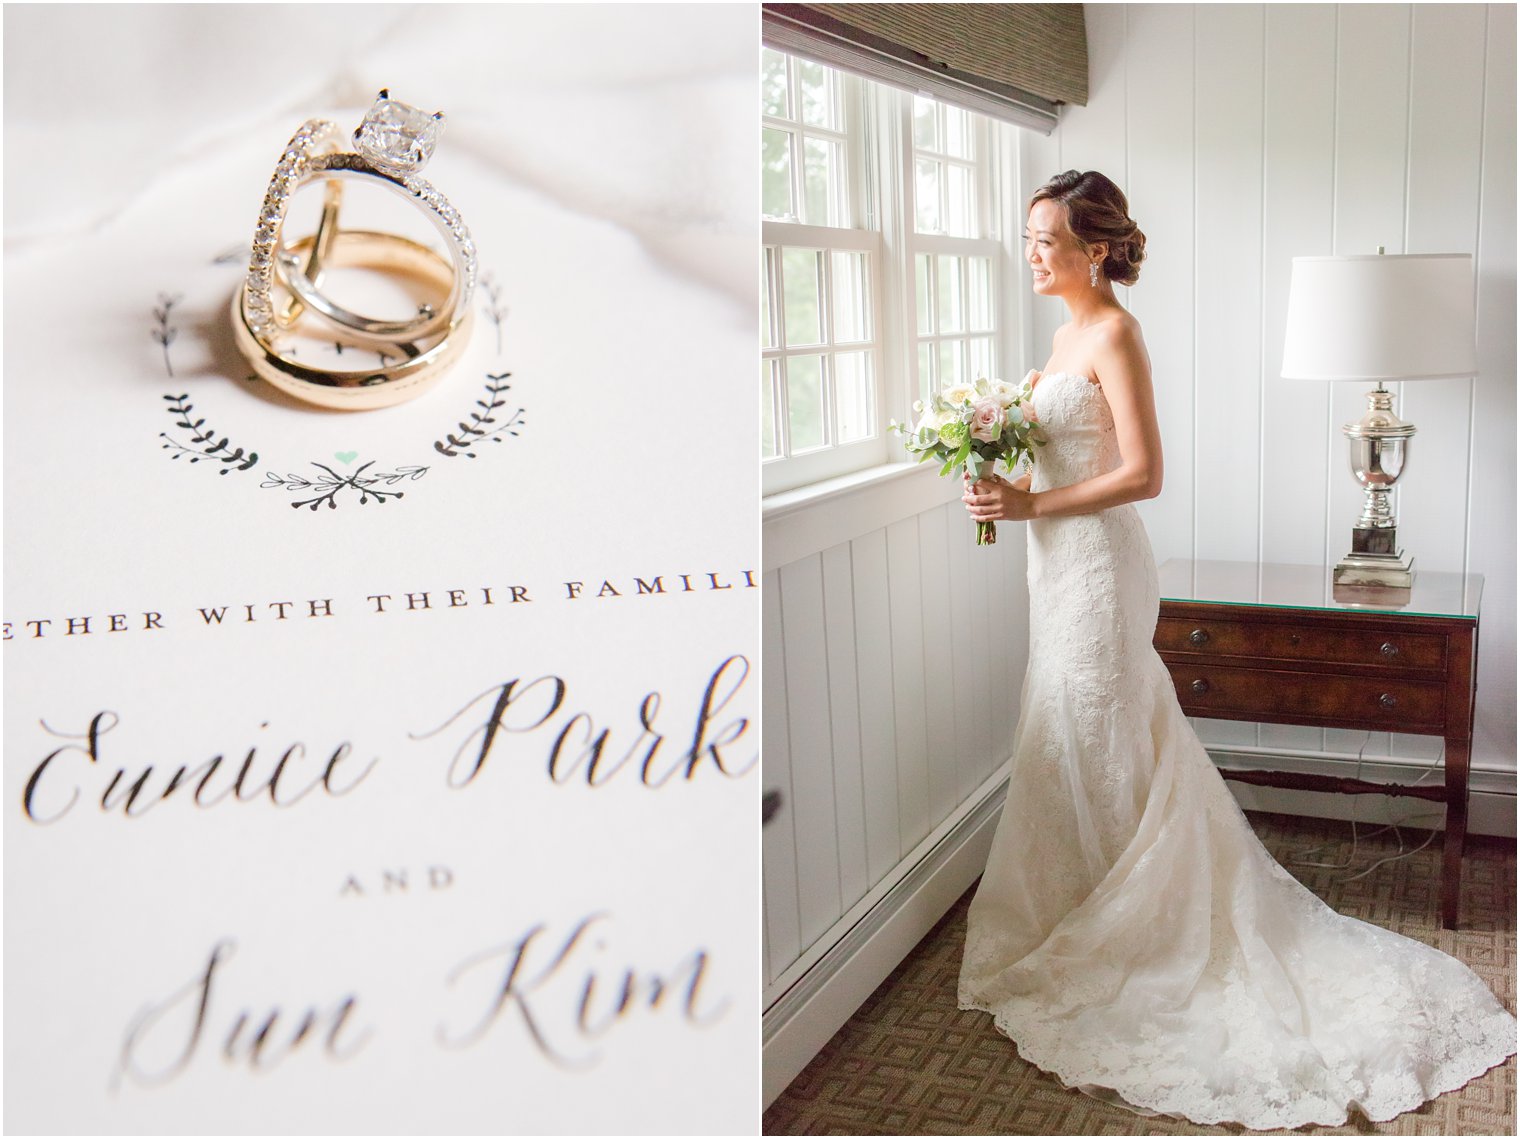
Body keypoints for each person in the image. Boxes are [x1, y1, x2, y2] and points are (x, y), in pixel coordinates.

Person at [956, 169, 1515, 1129]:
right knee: (1069, 731)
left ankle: (1136, 922)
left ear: (1096, 248)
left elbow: (1143, 472)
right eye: (1027, 236)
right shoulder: (1058, 337)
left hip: (1098, 568)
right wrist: (996, 459)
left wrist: (1030, 504)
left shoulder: (1117, 333)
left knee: (1104, 726)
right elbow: (1063, 444)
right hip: (1054, 569)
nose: (1032, 252)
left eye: (1047, 237)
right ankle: (1079, 900)